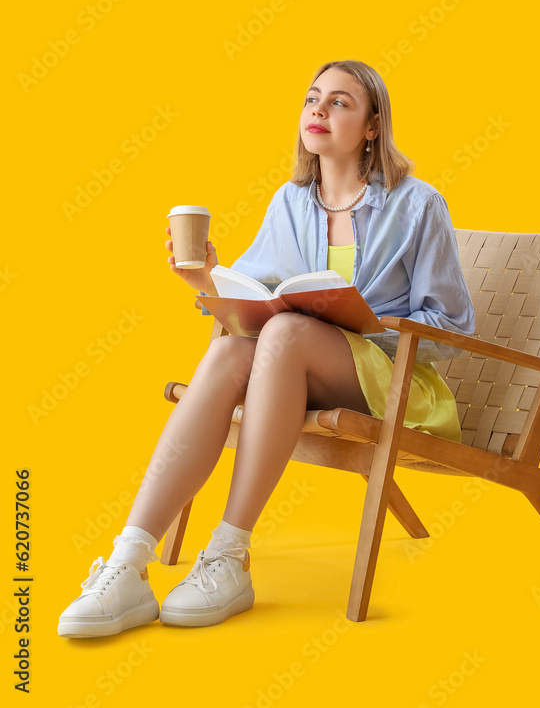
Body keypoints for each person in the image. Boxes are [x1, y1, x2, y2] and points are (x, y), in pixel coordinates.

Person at [57, 59, 475, 638]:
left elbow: (451, 325)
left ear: (373, 126)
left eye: (340, 102)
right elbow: (250, 296)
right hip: (297, 364)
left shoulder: (418, 204)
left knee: (283, 333)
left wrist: (364, 318)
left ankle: (229, 554)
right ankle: (128, 562)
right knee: (233, 351)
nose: (319, 111)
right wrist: (206, 281)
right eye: (312, 100)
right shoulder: (290, 201)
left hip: (392, 381)